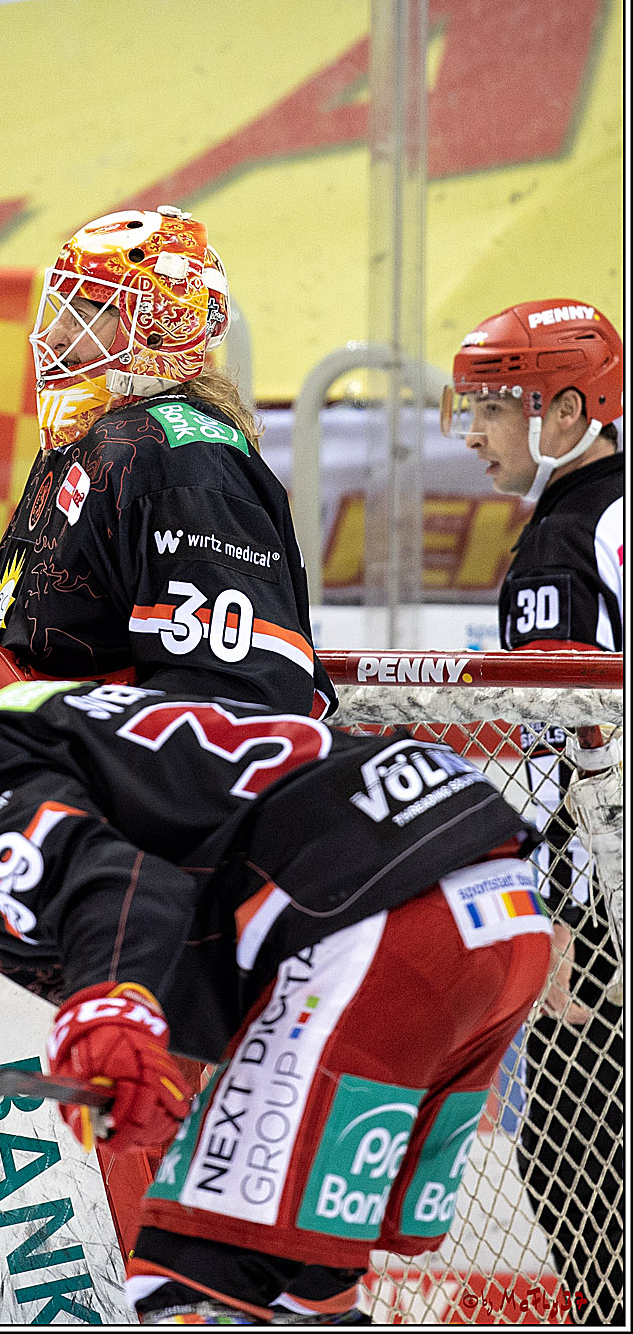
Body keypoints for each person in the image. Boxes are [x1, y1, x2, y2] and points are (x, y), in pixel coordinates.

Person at [0, 675, 553, 1325]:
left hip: (382, 914)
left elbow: (117, 884)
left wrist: (112, 1010)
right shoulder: (85, 734)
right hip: (500, 910)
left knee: (194, 1283)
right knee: (303, 1284)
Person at [0, 206, 335, 719]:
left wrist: (53, 737)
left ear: (159, 326)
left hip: (121, 793)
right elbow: (93, 624)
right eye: (59, 308)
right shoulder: (101, 437)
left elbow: (235, 704)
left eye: (86, 311)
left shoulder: (181, 461)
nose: (52, 336)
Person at [443, 297, 624, 1325]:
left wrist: (558, 914)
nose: (468, 434)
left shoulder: (560, 541)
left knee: (570, 1142)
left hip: (605, 904)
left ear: (563, 411)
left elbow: (572, 749)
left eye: (489, 409)